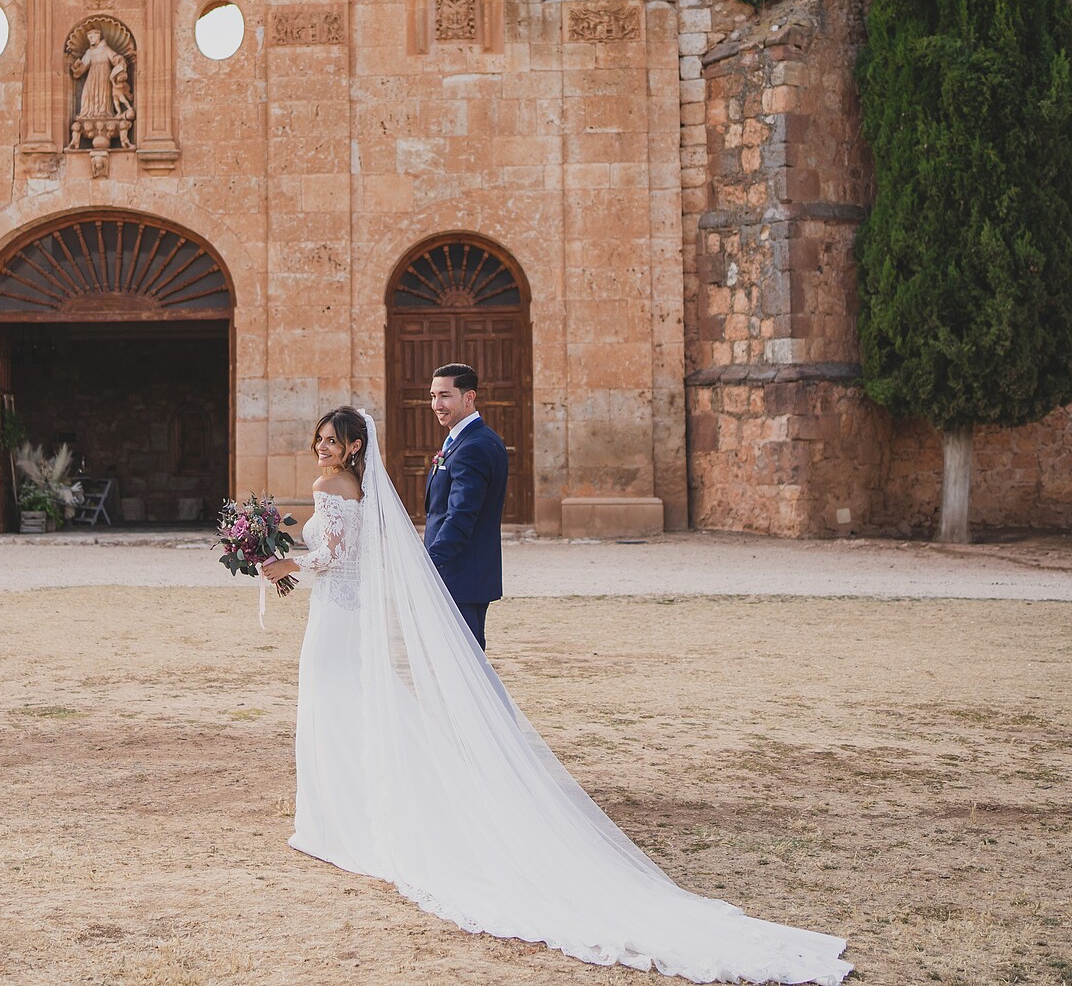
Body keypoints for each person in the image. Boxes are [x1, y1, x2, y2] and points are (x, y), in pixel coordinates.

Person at [261, 406, 854, 984]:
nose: (322, 448)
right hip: (344, 614)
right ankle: (353, 808)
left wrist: (282, 563)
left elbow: (334, 560)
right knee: (353, 706)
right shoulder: (361, 490)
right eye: (320, 440)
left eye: (331, 441)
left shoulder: (329, 486)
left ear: (354, 448)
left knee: (336, 704)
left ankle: (337, 820)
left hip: (334, 617)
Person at [422, 362, 506, 647]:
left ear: (469, 397)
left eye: (445, 395)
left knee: (465, 666)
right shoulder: (462, 440)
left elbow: (460, 516)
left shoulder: (474, 447)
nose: (436, 404)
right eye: (433, 396)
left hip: (459, 576)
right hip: (460, 576)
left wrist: (428, 564)